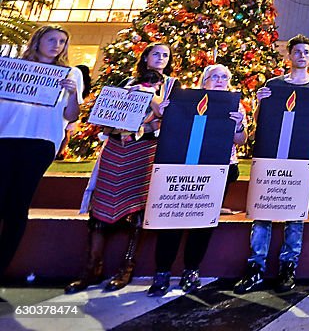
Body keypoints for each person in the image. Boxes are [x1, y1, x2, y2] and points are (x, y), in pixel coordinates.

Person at [66, 43, 171, 293]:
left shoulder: (172, 86)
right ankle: (92, 266)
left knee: (137, 211)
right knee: (99, 210)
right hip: (116, 146)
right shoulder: (126, 80)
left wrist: (149, 101)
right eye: (156, 53)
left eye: (165, 55)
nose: (160, 58)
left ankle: (127, 267)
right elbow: (106, 113)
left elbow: (171, 117)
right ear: (145, 57)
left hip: (145, 149)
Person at [234, 35, 309, 295]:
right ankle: (256, 266)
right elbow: (259, 121)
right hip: (271, 156)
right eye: (297, 51)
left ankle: (289, 266)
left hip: (300, 157)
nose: (301, 55)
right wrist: (260, 102)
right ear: (289, 56)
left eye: (306, 52)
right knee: (263, 211)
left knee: (295, 214)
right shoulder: (273, 85)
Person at [148, 64, 248, 296]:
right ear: (204, 81)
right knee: (171, 219)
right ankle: (162, 271)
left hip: (219, 169)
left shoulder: (236, 106)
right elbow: (156, 126)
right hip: (182, 167)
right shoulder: (186, 100)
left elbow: (241, 141)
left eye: (225, 76)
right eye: (215, 77)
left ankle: (191, 270)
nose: (220, 80)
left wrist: (239, 125)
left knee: (202, 221)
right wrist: (163, 111)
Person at [0, 26, 83, 276]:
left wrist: (71, 93)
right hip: (6, 137)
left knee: (18, 204)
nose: (57, 45)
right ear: (37, 41)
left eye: (62, 41)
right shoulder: (12, 68)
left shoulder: (72, 74)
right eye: (52, 40)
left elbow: (72, 115)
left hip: (41, 142)